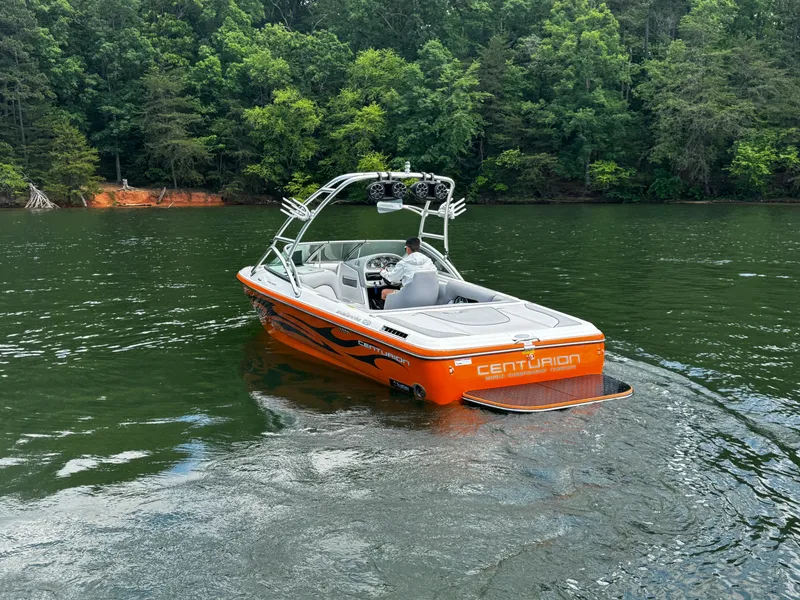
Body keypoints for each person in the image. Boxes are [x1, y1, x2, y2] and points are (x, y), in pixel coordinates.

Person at [380, 237, 437, 302]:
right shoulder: (428, 261)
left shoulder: (403, 263)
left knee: (384, 293)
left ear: (408, 249)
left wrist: (383, 272)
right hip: (428, 296)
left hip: (410, 297)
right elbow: (435, 274)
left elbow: (392, 278)